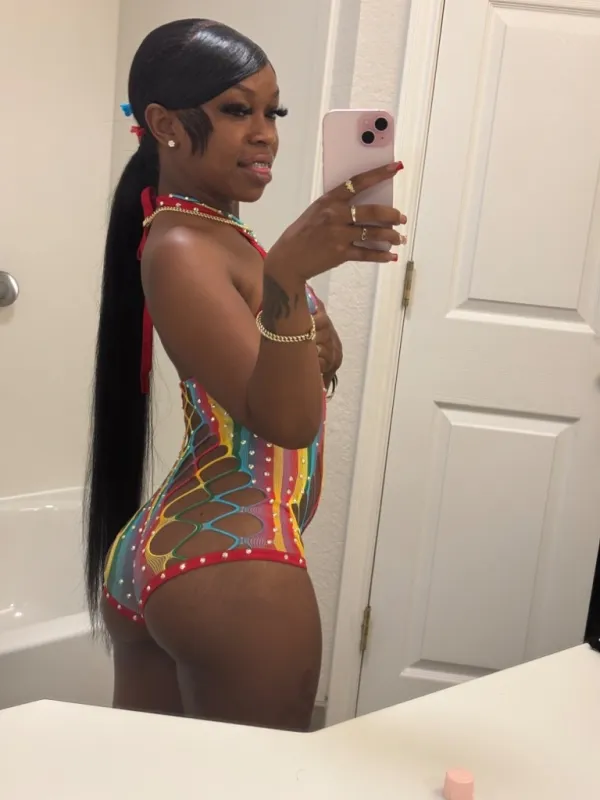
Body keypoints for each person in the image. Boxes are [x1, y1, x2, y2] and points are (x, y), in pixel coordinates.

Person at [85, 18, 406, 731]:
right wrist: (287, 280)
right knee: (261, 778)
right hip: (235, 557)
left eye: (273, 112)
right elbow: (287, 423)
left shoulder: (211, 234)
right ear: (165, 125)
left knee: (150, 777)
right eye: (237, 110)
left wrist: (297, 304)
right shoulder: (181, 246)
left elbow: (282, 374)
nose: (266, 135)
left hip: (188, 543)